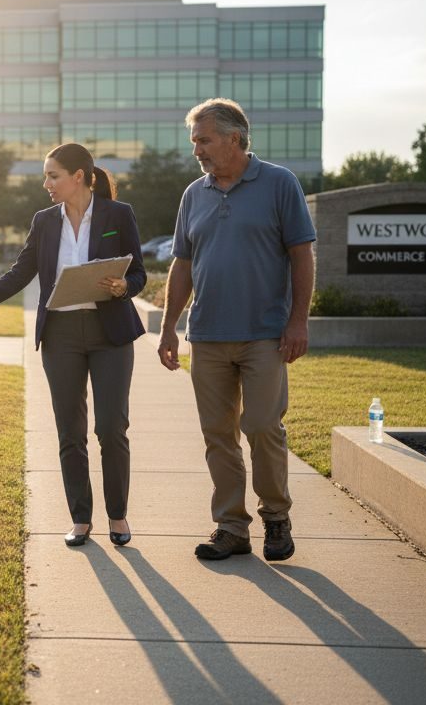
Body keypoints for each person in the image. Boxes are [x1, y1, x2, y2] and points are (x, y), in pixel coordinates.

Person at [0, 143, 147, 548]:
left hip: (111, 335)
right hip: (61, 336)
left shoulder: (118, 215)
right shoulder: (44, 221)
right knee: (70, 430)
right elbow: (18, 274)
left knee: (111, 427)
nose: (46, 183)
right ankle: (81, 519)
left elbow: (137, 272)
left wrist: (124, 286)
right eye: (46, 176)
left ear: (79, 177)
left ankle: (117, 515)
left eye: (53, 175)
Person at [157, 98, 316, 562]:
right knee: (218, 435)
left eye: (204, 140)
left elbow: (301, 255)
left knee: (263, 427)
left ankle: (276, 518)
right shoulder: (194, 194)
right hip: (207, 335)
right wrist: (169, 327)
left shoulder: (279, 183)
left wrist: (298, 320)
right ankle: (231, 526)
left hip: (264, 334)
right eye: (194, 141)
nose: (197, 150)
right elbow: (182, 265)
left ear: (234, 138)